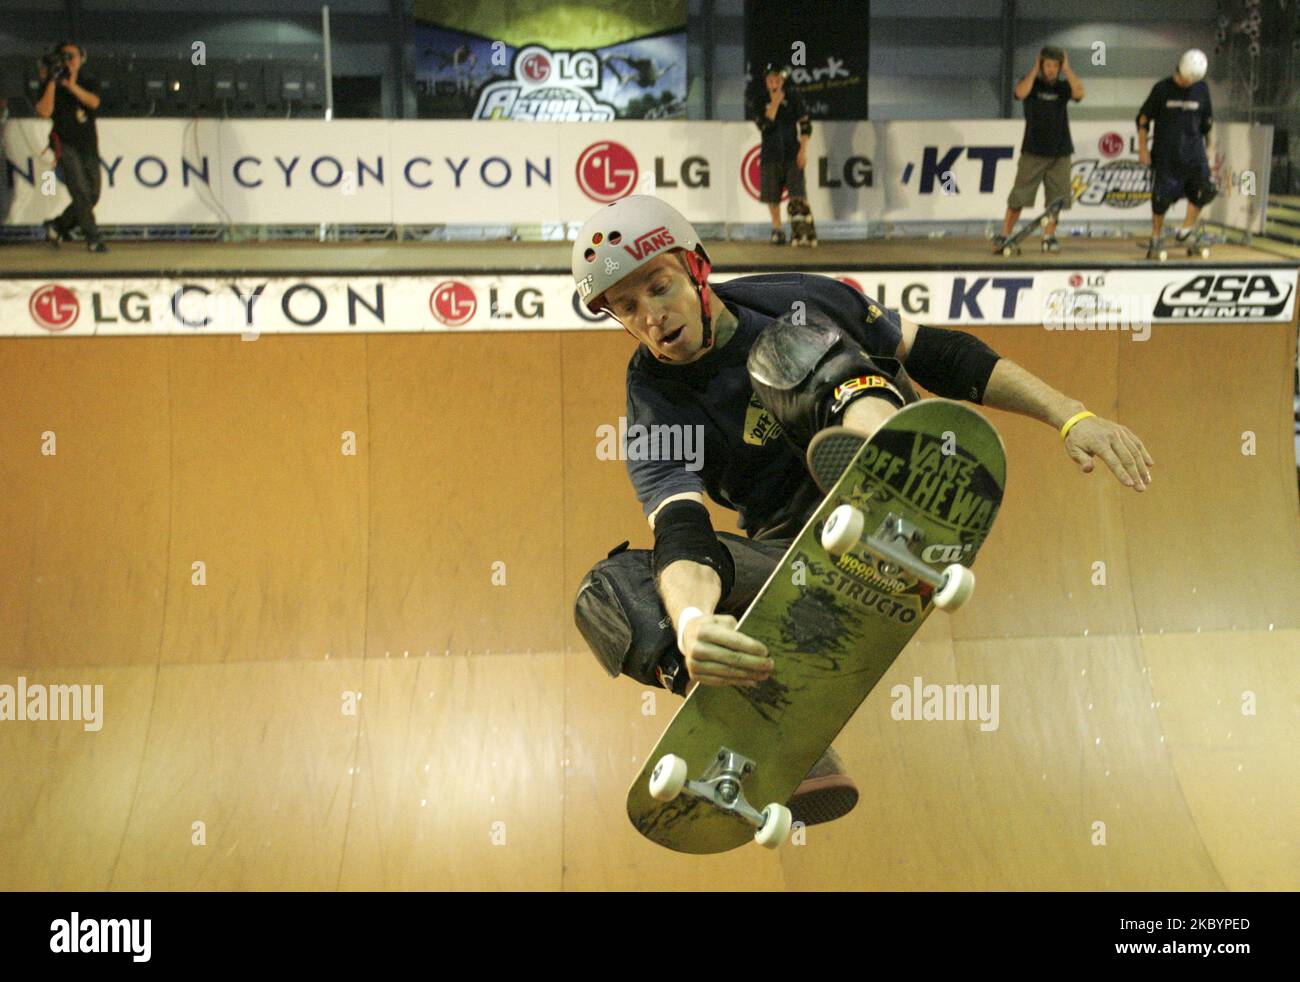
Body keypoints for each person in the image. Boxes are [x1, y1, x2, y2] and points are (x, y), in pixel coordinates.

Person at [570, 195, 1154, 826]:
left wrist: (1070, 414)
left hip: (904, 475)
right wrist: (692, 627)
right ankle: (756, 706)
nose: (651, 318)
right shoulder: (653, 401)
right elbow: (681, 529)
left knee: (785, 351)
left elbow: (943, 356)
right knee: (607, 593)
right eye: (626, 309)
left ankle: (887, 469)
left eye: (659, 289)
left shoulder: (792, 299)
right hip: (797, 555)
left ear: (696, 268)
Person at [996, 46, 1083, 254]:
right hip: (1033, 151)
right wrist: (1034, 69)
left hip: (1060, 152)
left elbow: (1079, 93)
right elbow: (1019, 93)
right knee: (1019, 197)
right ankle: (1005, 234)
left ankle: (1049, 236)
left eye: (1055, 66)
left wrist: (1068, 69)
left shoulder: (1063, 88)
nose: (1051, 70)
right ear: (1041, 65)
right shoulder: (1031, 85)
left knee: (1056, 199)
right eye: (1048, 65)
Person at [1137, 49, 1215, 258]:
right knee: (1161, 198)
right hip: (1166, 154)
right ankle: (1156, 236)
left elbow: (1207, 122)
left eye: (1191, 81)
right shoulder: (1162, 89)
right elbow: (1143, 119)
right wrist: (1143, 148)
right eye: (1185, 79)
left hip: (1194, 154)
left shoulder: (1202, 89)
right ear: (1179, 69)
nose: (1187, 84)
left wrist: (1210, 151)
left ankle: (1186, 230)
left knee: (1205, 190)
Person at [34, 40, 107, 253]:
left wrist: (71, 85)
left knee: (93, 192)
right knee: (81, 190)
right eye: (64, 56)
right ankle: (92, 237)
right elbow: (44, 112)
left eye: (72, 56)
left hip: (87, 145)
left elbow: (94, 103)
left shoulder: (88, 80)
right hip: (63, 143)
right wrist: (52, 82)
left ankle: (57, 225)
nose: (68, 61)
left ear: (80, 59)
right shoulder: (51, 82)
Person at [745, 61, 814, 246]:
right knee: (772, 196)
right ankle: (777, 229)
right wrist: (774, 103)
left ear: (782, 80)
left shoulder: (793, 97)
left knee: (798, 193)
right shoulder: (758, 99)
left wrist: (803, 149)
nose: (774, 82)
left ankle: (801, 230)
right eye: (771, 79)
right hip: (770, 153)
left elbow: (806, 124)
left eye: (778, 79)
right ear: (766, 80)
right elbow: (764, 126)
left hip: (792, 151)